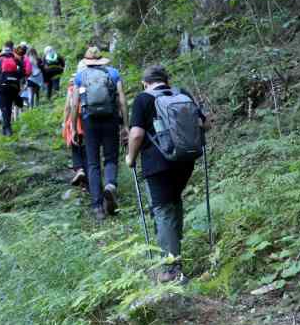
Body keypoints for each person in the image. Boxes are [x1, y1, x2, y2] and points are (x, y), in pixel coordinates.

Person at [126, 64, 206, 283]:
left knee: (162, 210)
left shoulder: (143, 99)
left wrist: (130, 158)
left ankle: (171, 269)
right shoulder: (182, 94)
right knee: (174, 204)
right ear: (166, 80)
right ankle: (175, 255)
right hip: (185, 159)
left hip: (158, 163)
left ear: (145, 82)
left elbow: (136, 134)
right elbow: (202, 123)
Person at [72, 46, 127, 220]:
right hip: (110, 119)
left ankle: (97, 207)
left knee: (93, 163)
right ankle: (110, 185)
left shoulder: (80, 76)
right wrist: (126, 125)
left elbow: (74, 104)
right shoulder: (113, 73)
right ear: (101, 59)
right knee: (110, 158)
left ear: (87, 61)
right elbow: (122, 100)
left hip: (90, 121)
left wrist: (73, 127)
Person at [0, 41, 25, 136]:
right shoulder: (17, 60)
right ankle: (6, 128)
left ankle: (7, 128)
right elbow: (23, 73)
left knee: (4, 107)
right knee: (9, 107)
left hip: (2, 87)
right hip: (14, 87)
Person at [61, 67, 87, 188]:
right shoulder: (88, 87)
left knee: (75, 146)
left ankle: (80, 170)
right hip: (88, 119)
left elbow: (68, 107)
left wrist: (65, 122)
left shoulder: (72, 89)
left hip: (75, 120)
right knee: (86, 148)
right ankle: (86, 178)